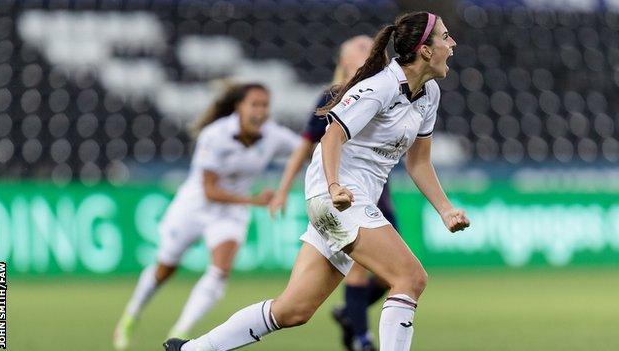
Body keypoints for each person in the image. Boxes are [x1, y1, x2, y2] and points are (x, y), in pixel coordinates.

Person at [164, 11, 469, 351]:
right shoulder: (379, 87)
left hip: (348, 201)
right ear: (425, 50)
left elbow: (419, 161)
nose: (452, 43)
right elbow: (331, 136)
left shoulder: (429, 94)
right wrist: (335, 185)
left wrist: (445, 210)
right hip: (336, 196)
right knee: (409, 278)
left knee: (293, 310)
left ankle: (192, 349)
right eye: (444, 36)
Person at [113, 83, 301, 350]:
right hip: (195, 206)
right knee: (165, 268)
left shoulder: (274, 136)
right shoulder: (215, 136)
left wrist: (285, 185)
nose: (260, 111)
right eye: (255, 104)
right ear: (239, 107)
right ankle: (130, 317)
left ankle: (180, 331)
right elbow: (211, 191)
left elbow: (306, 147)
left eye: (265, 105)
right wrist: (254, 200)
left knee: (219, 271)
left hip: (231, 213)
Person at [267, 35, 397, 351]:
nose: (371, 50)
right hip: (344, 194)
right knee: (361, 271)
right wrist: (283, 189)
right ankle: (361, 340)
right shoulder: (333, 95)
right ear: (344, 61)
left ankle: (349, 313)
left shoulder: (388, 90)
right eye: (361, 48)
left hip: (378, 194)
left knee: (388, 277)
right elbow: (307, 144)